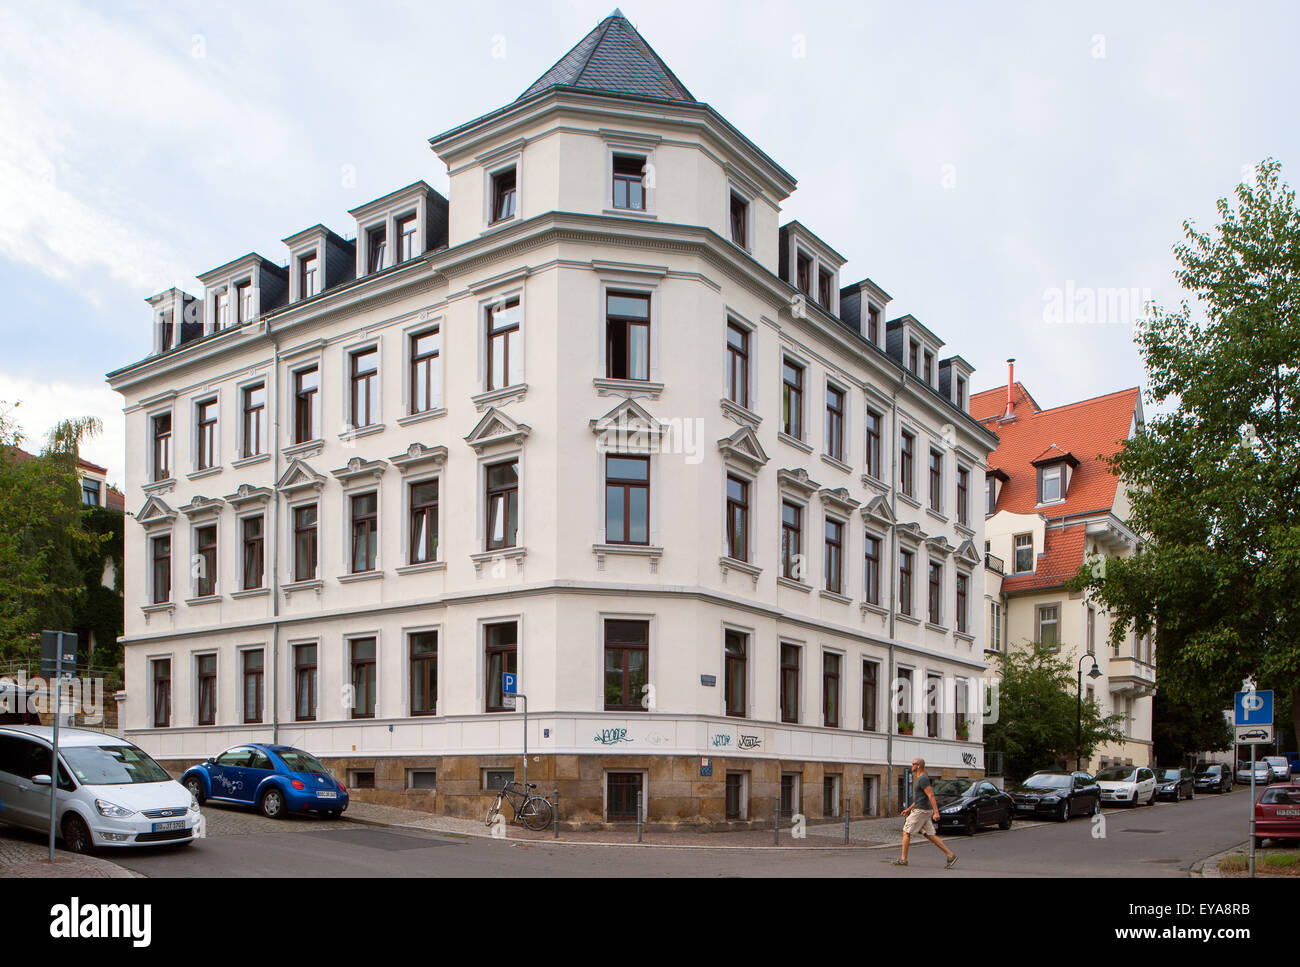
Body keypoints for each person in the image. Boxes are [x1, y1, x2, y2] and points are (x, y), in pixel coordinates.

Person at [893, 757, 957, 868]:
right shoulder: (920, 778)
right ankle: (950, 855)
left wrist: (936, 812)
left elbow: (930, 795)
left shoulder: (923, 779)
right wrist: (908, 809)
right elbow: (919, 798)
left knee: (906, 831)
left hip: (921, 811)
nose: (911, 765)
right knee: (930, 835)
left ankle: (903, 860)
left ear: (918, 766)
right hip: (923, 810)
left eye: (913, 764)